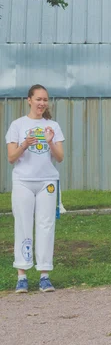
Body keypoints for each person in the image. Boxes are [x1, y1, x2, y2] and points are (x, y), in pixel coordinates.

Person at [5, 84, 65, 293]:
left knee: (46, 225)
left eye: (45, 100)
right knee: (23, 224)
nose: (42, 103)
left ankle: (44, 274)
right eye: (38, 99)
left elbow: (59, 157)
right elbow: (11, 158)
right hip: (23, 180)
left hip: (47, 181)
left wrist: (49, 142)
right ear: (29, 100)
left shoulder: (53, 126)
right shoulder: (17, 125)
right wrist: (24, 144)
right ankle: (22, 275)